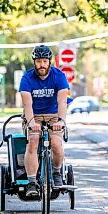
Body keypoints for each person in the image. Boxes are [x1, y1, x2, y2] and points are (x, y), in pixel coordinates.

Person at [19, 45, 70, 197]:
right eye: (39, 61)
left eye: (45, 61)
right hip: (33, 115)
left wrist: (60, 120)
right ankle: (32, 182)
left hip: (54, 115)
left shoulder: (59, 76)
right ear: (34, 62)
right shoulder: (27, 78)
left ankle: (56, 172)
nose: (42, 65)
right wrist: (32, 123)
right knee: (33, 141)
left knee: (56, 143)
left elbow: (62, 102)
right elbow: (27, 104)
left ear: (50, 62)